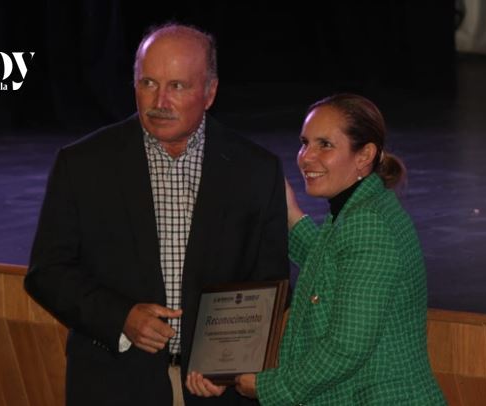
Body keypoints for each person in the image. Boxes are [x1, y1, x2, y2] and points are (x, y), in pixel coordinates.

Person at [24, 23, 288, 406]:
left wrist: (231, 369)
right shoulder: (82, 164)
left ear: (210, 92)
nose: (159, 100)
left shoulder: (255, 169)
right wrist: (122, 317)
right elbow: (47, 273)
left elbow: (268, 285)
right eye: (148, 83)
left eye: (177, 86)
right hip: (114, 388)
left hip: (216, 393)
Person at [186, 94, 446, 404]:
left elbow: (345, 347)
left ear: (364, 155)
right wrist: (291, 214)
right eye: (304, 142)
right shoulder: (360, 209)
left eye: (325, 145)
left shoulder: (368, 224)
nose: (306, 157)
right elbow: (335, 269)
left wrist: (272, 386)